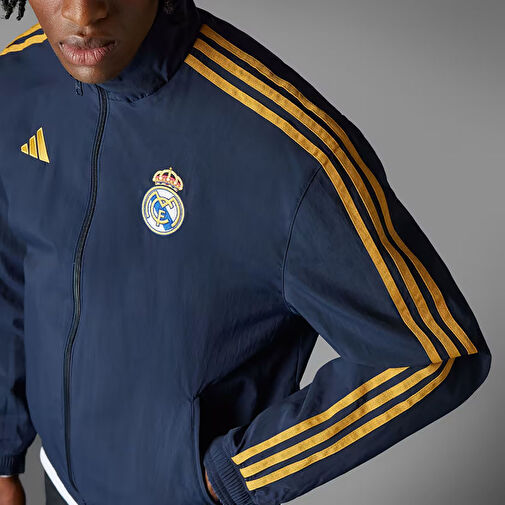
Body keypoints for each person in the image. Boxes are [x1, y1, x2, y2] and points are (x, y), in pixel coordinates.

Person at [0, 0, 492, 504]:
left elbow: (434, 353)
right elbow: (13, 271)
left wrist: (230, 478)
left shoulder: (288, 151)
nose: (82, 13)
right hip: (58, 484)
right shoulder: (17, 78)